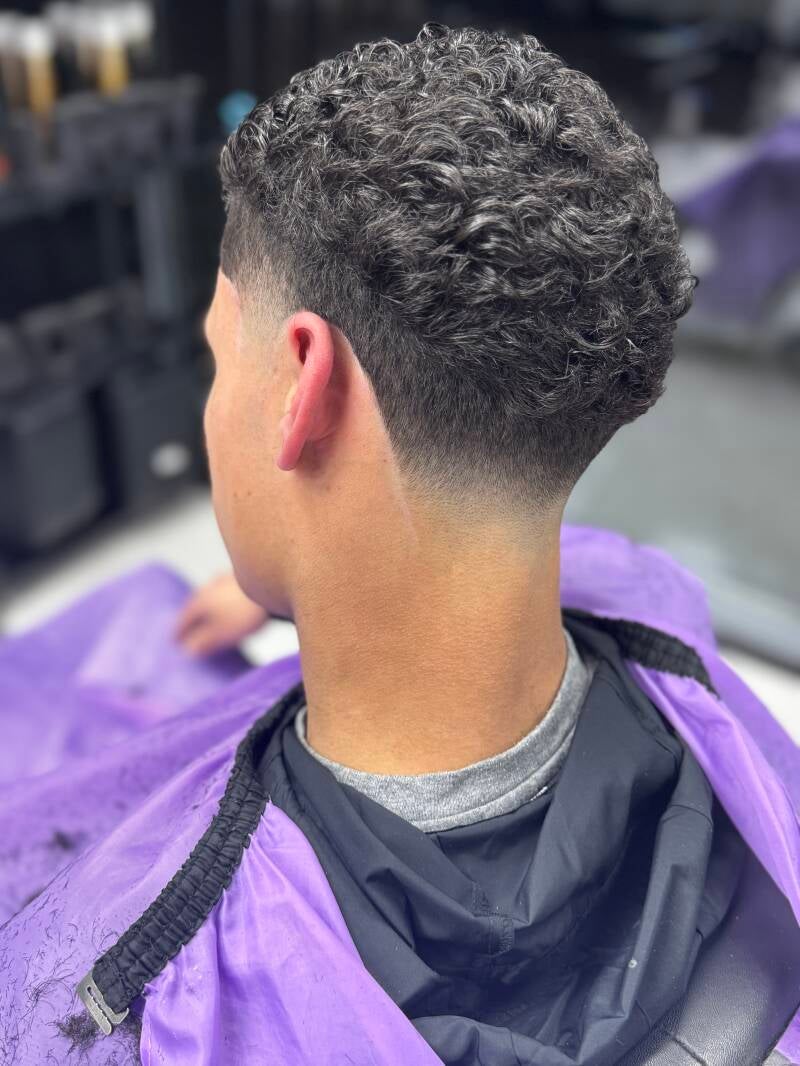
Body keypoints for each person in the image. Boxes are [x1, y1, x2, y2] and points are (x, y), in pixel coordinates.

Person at [1, 22, 799, 1066]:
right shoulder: (656, 606)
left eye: (217, 359)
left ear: (301, 384)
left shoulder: (129, 1008)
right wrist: (297, 562)